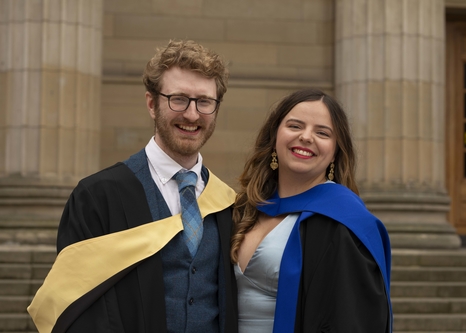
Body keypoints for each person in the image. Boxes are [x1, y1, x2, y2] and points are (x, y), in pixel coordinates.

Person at [28, 39, 238, 333]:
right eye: (178, 99)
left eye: (204, 101)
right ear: (152, 104)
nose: (192, 114)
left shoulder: (229, 205)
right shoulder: (98, 197)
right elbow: (78, 305)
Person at [231, 88, 392, 333]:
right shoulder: (246, 208)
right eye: (295, 126)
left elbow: (352, 321)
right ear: (275, 136)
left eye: (322, 132)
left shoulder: (344, 223)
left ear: (335, 151)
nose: (306, 137)